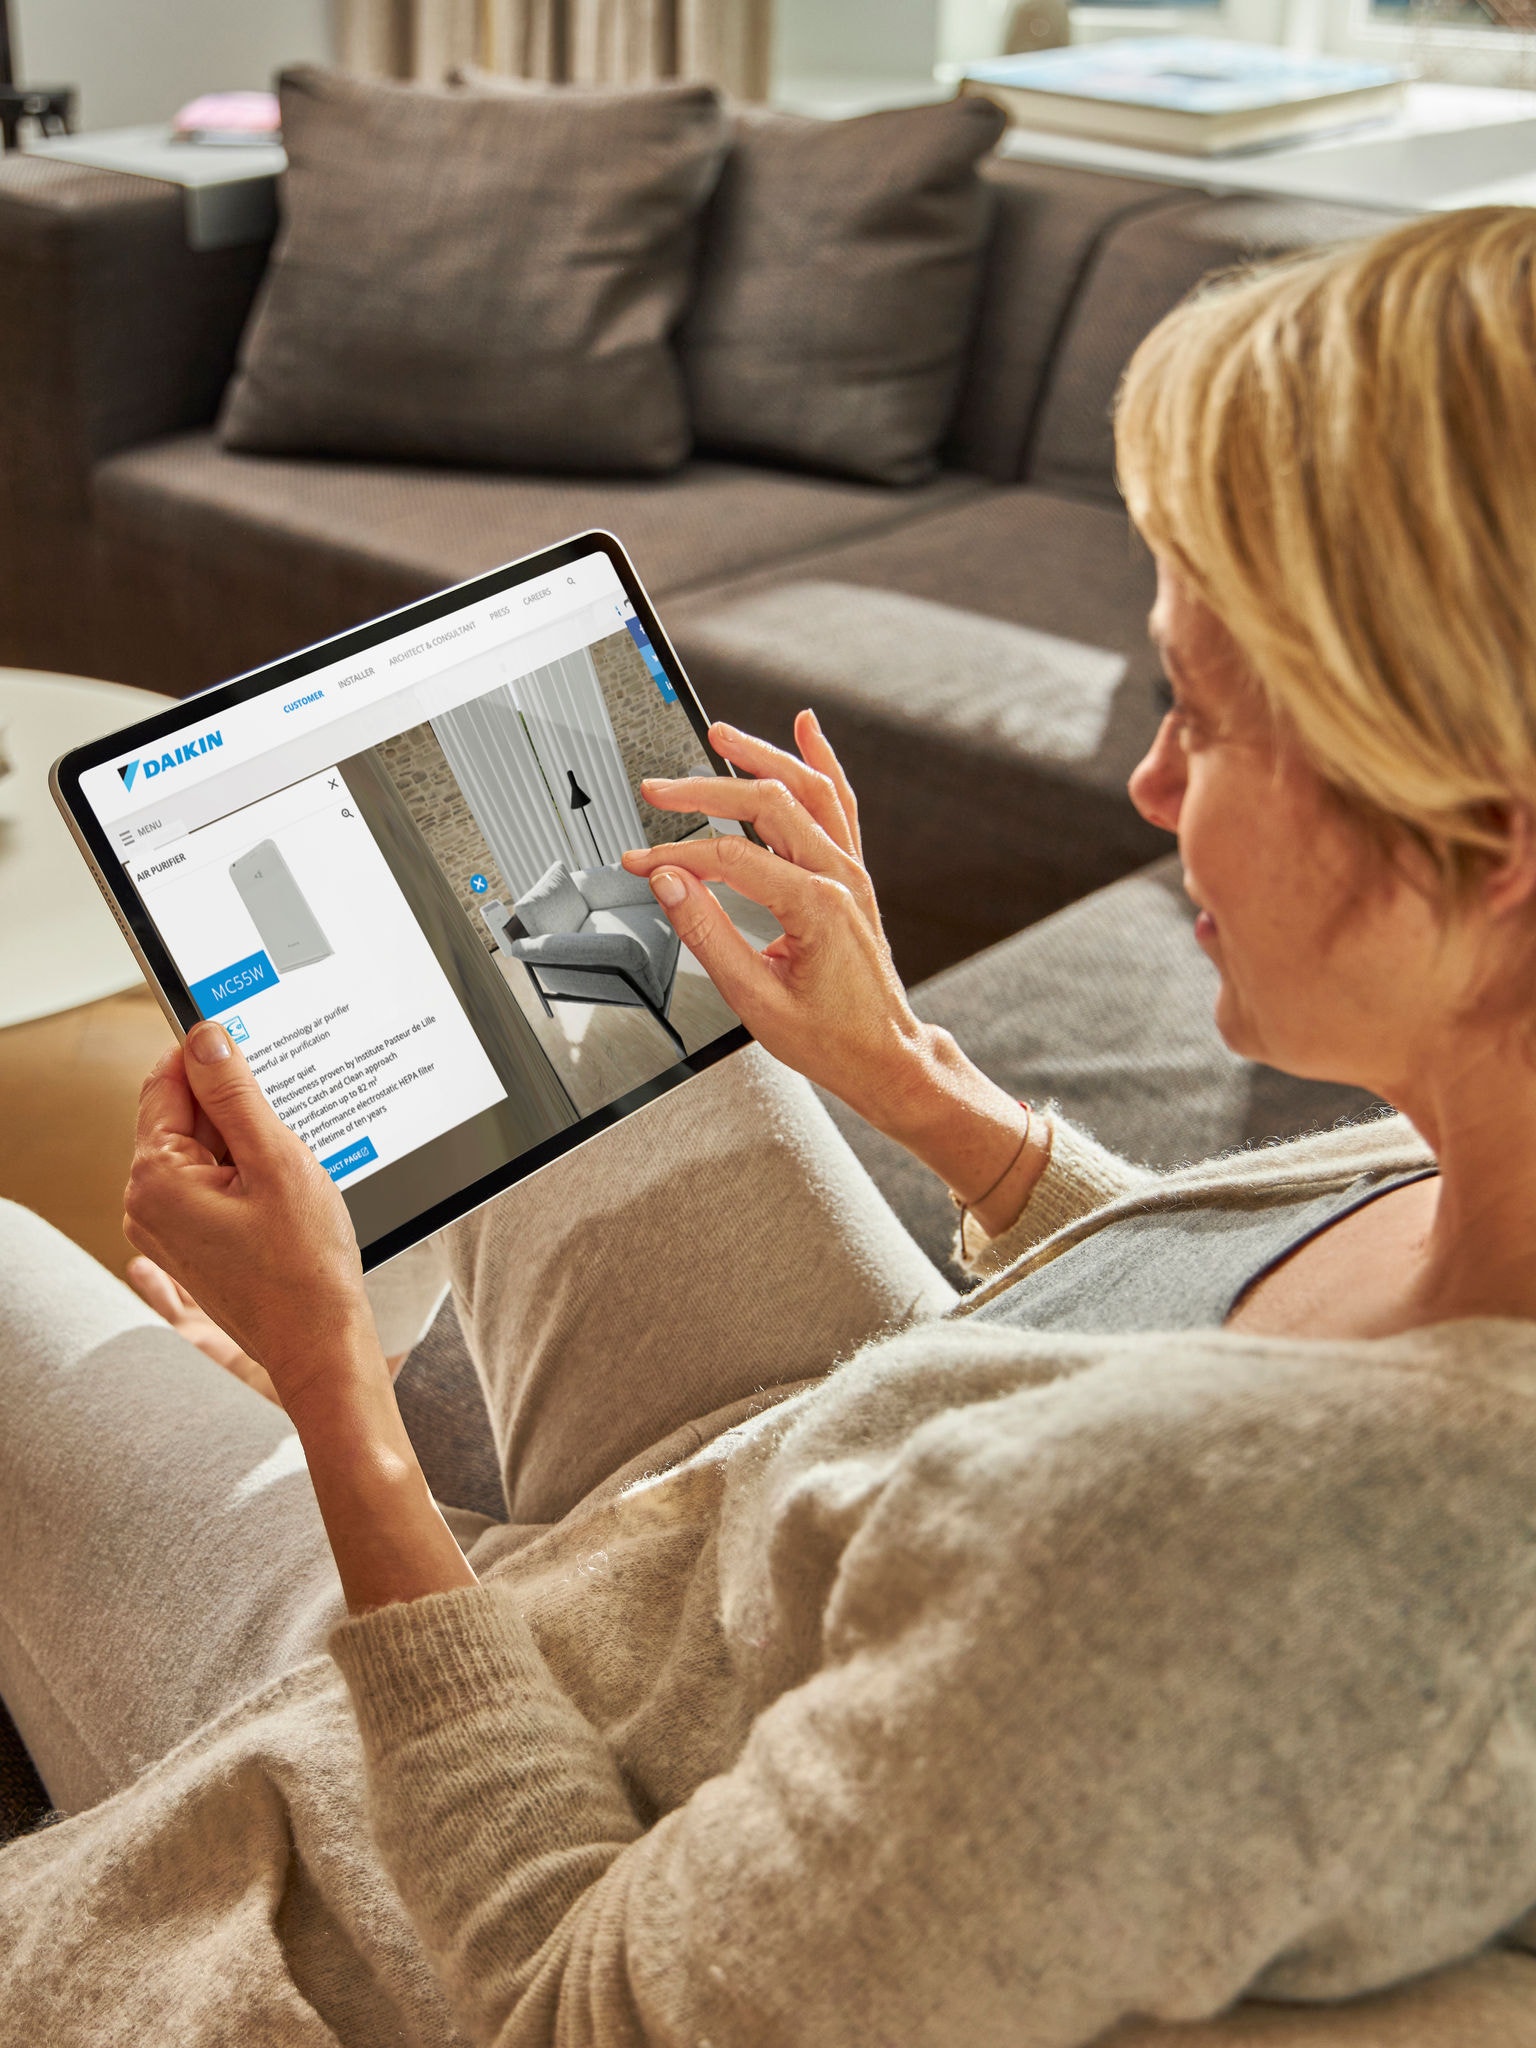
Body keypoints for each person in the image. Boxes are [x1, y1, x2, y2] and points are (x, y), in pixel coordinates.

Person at [4, 204, 1536, 2046]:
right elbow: (1249, 1325)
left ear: (1494, 850)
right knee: (590, 985)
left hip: (576, 1754)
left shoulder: (1180, 1584)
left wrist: (331, 1388)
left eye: (1201, 722)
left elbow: (580, 2004)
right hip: (807, 1504)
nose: (1147, 784)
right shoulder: (1483, 1192)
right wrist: (912, 1075)